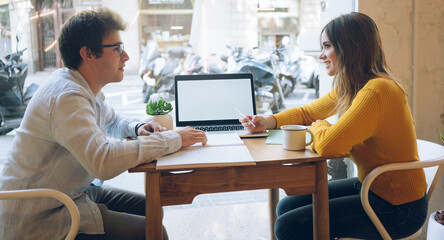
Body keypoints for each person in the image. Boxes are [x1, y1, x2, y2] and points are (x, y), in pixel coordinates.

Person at [0, 8, 207, 240]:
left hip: (73, 193)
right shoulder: (66, 97)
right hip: (41, 214)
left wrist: (138, 128)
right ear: (88, 53)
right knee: (154, 232)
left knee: (152, 208)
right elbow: (103, 161)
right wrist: (173, 139)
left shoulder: (83, 87)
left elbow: (113, 120)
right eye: (117, 49)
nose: (126, 57)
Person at [240, 12, 428, 239]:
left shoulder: (377, 91)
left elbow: (328, 145)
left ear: (351, 47)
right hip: (371, 188)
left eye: (327, 46)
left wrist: (318, 125)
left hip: (398, 208)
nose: (321, 55)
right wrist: (268, 121)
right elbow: (307, 112)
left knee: (288, 227)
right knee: (286, 206)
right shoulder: (354, 86)